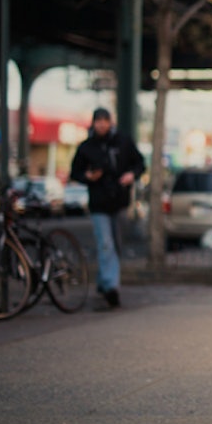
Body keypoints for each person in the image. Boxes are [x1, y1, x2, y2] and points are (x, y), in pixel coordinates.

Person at [70, 107, 145, 309]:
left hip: (119, 201)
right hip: (98, 203)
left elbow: (140, 163)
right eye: (98, 121)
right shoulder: (86, 147)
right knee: (106, 244)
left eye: (105, 120)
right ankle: (112, 287)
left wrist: (131, 175)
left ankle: (104, 283)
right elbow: (74, 172)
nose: (102, 124)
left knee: (116, 246)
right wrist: (88, 176)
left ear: (111, 122)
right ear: (93, 123)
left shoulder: (123, 142)